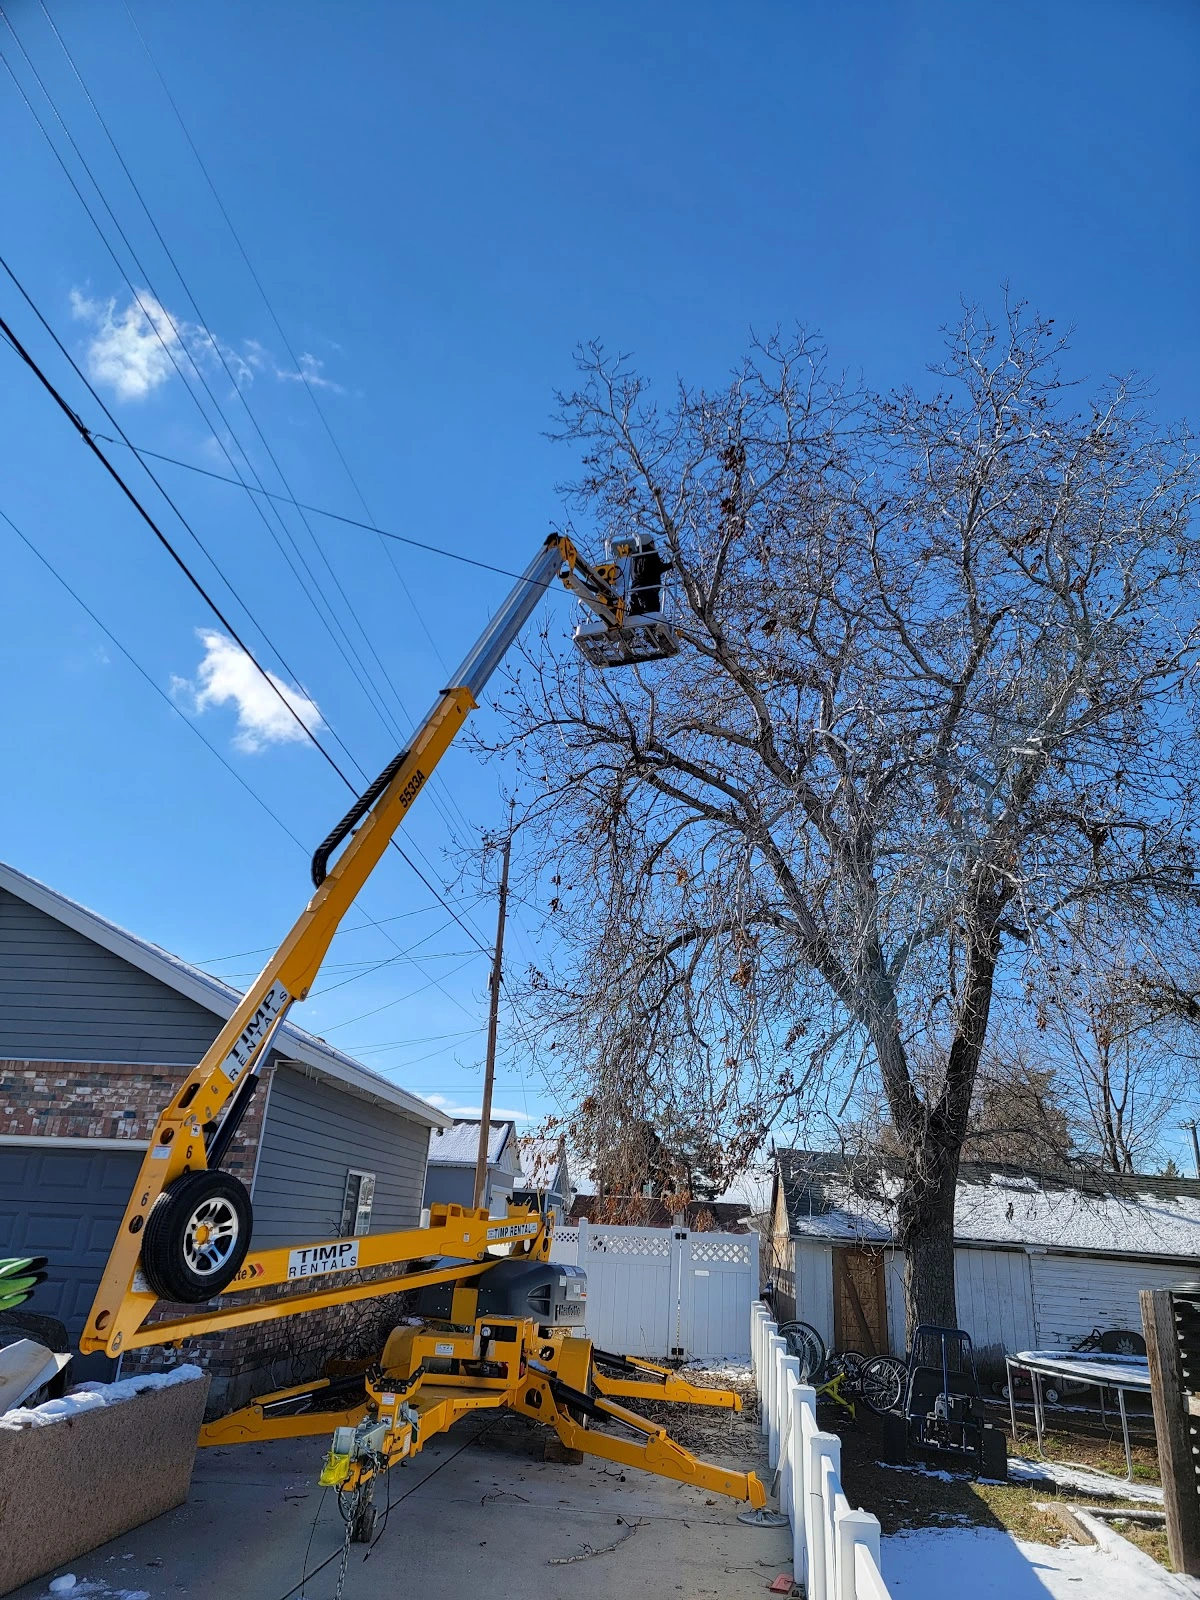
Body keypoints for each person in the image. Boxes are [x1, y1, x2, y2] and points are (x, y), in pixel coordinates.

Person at [628, 537, 672, 616]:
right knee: (652, 616)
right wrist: (671, 564)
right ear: (650, 543)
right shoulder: (651, 553)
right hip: (648, 592)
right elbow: (657, 568)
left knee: (635, 616)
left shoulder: (634, 557)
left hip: (634, 591)